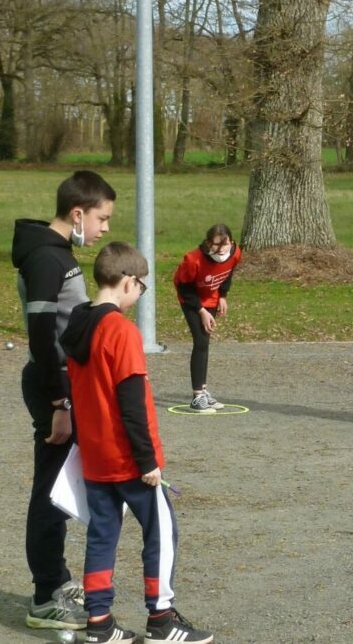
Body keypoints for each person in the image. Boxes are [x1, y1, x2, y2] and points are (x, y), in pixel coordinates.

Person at [61, 242, 213, 644]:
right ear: (128, 281)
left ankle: (98, 624)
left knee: (102, 536)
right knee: (162, 531)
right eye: (141, 287)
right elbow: (131, 403)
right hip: (129, 459)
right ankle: (161, 620)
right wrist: (148, 462)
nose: (140, 294)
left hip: (94, 458)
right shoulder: (121, 331)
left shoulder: (77, 325)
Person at [12, 170, 116, 630]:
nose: (105, 228)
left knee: (60, 487)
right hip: (52, 389)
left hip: (64, 386)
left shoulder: (56, 253)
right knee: (50, 494)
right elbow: (40, 334)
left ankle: (57, 576)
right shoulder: (46, 259)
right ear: (78, 213)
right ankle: (43, 598)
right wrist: (59, 403)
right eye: (102, 218)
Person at [173, 224, 242, 412]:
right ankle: (197, 397)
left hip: (211, 298)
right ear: (208, 243)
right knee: (201, 341)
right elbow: (183, 286)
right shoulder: (193, 260)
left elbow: (228, 274)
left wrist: (223, 296)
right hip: (192, 299)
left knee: (205, 342)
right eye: (216, 245)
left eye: (224, 244)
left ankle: (203, 391)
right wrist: (200, 310)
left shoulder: (235, 253)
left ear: (231, 241)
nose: (221, 250)